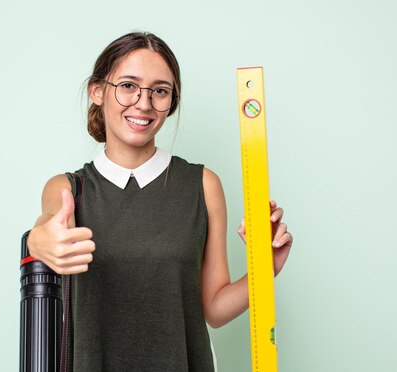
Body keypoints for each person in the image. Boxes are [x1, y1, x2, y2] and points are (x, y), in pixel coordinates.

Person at [27, 32, 293, 372]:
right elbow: (46, 225)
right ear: (97, 91)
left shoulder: (202, 185)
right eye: (128, 85)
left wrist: (266, 267)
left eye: (160, 91)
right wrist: (37, 239)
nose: (144, 103)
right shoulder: (67, 188)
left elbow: (214, 309)